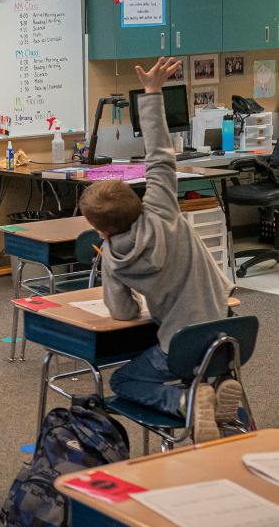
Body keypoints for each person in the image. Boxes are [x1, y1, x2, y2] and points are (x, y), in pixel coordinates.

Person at [80, 57, 239, 444]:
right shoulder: (162, 207)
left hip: (180, 345)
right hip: (230, 334)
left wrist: (133, 299)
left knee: (123, 380)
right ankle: (216, 392)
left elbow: (122, 312)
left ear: (101, 229)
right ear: (138, 197)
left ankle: (185, 401)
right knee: (207, 367)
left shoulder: (114, 260)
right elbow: (159, 153)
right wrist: (152, 92)